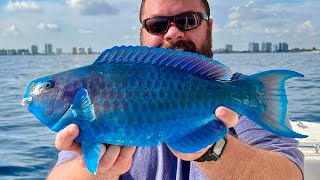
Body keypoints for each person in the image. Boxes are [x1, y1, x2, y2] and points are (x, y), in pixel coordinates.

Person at [47, 0, 304, 179]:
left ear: (209, 27)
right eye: (157, 24)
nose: (172, 33)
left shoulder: (242, 93)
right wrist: (99, 170)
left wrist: (212, 150)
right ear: (143, 33)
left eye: (187, 21)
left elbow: (289, 176)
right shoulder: (104, 88)